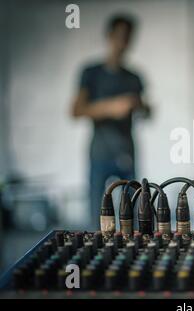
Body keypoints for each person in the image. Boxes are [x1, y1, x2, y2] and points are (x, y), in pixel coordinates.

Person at [71, 15, 148, 225]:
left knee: (132, 217)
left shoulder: (134, 77)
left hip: (127, 153)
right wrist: (110, 107)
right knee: (98, 218)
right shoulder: (91, 73)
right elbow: (76, 110)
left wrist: (140, 105)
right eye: (119, 36)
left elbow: (146, 112)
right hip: (100, 153)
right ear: (109, 36)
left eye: (128, 37)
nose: (123, 42)